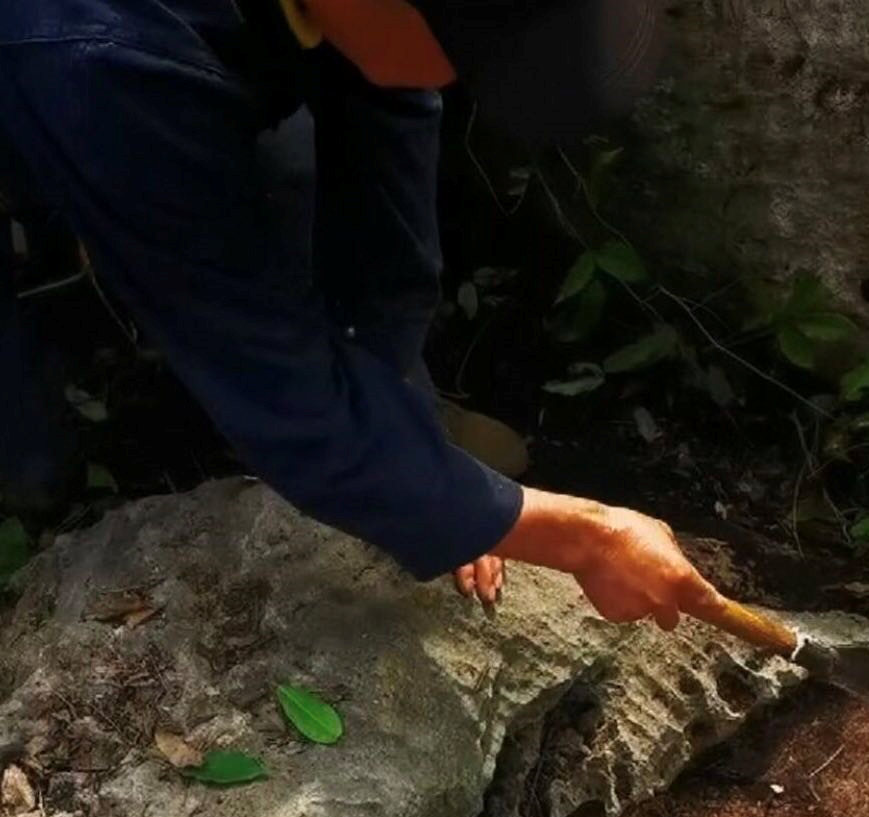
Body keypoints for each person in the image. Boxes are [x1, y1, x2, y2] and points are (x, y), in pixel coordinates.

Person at [0, 0, 723, 628]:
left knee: (287, 173)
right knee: (31, 444)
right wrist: (579, 538)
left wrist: (432, 479)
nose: (462, 81)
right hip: (58, 56)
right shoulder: (104, 61)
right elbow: (279, 387)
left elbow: (390, 123)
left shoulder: (375, 28)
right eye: (471, 58)